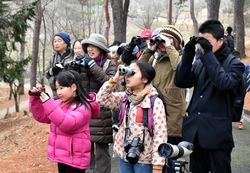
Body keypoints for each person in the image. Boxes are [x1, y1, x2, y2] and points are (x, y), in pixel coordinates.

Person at [174, 20, 244, 173]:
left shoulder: (234, 64)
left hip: (217, 135)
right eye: (201, 41)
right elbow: (181, 81)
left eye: (207, 41)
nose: (203, 45)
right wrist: (188, 53)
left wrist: (207, 54)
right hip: (195, 134)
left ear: (221, 40)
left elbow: (223, 83)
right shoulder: (200, 61)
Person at [97, 60, 168, 173]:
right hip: (125, 155)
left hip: (145, 160)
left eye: (132, 73)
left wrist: (158, 165)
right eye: (127, 72)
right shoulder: (126, 98)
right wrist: (115, 79)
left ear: (145, 79)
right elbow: (101, 99)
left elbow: (160, 136)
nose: (127, 76)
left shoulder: (154, 102)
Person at [29, 70, 100, 173]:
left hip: (75, 159)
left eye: (62, 88)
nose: (58, 92)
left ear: (74, 87)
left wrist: (49, 103)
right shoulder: (59, 104)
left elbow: (67, 123)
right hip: (62, 156)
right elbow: (42, 116)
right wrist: (36, 99)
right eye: (57, 88)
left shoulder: (84, 107)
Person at [139, 25, 186, 173]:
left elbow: (180, 69)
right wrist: (149, 50)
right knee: (153, 161)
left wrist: (170, 47)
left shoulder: (181, 57)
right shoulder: (154, 59)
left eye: (164, 40)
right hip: (152, 117)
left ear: (175, 42)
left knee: (169, 161)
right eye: (160, 40)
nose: (161, 44)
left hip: (171, 120)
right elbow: (138, 69)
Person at [80, 33, 117, 173]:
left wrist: (93, 66)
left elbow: (110, 83)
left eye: (93, 46)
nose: (90, 49)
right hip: (84, 110)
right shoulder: (83, 62)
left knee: (101, 149)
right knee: (85, 148)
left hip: (102, 111)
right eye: (88, 46)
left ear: (101, 49)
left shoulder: (109, 63)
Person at [46, 31, 73, 97]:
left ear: (66, 43)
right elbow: (47, 74)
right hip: (57, 94)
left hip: (71, 93)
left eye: (59, 41)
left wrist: (64, 70)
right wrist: (53, 70)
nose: (56, 43)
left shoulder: (73, 55)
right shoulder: (53, 58)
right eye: (54, 41)